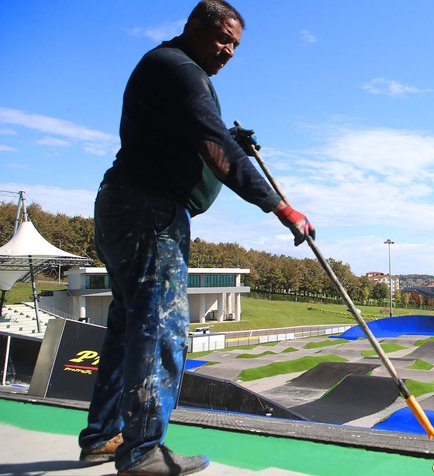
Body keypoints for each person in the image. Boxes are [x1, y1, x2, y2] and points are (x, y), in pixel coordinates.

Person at [77, 1, 314, 474]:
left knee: (128, 328)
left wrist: (227, 136)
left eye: (235, 46)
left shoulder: (168, 68)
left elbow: (196, 135)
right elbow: (214, 148)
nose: (228, 52)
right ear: (193, 28)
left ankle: (103, 436)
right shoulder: (180, 69)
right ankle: (143, 451)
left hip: (124, 205)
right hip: (151, 213)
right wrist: (280, 206)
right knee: (161, 329)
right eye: (223, 39)